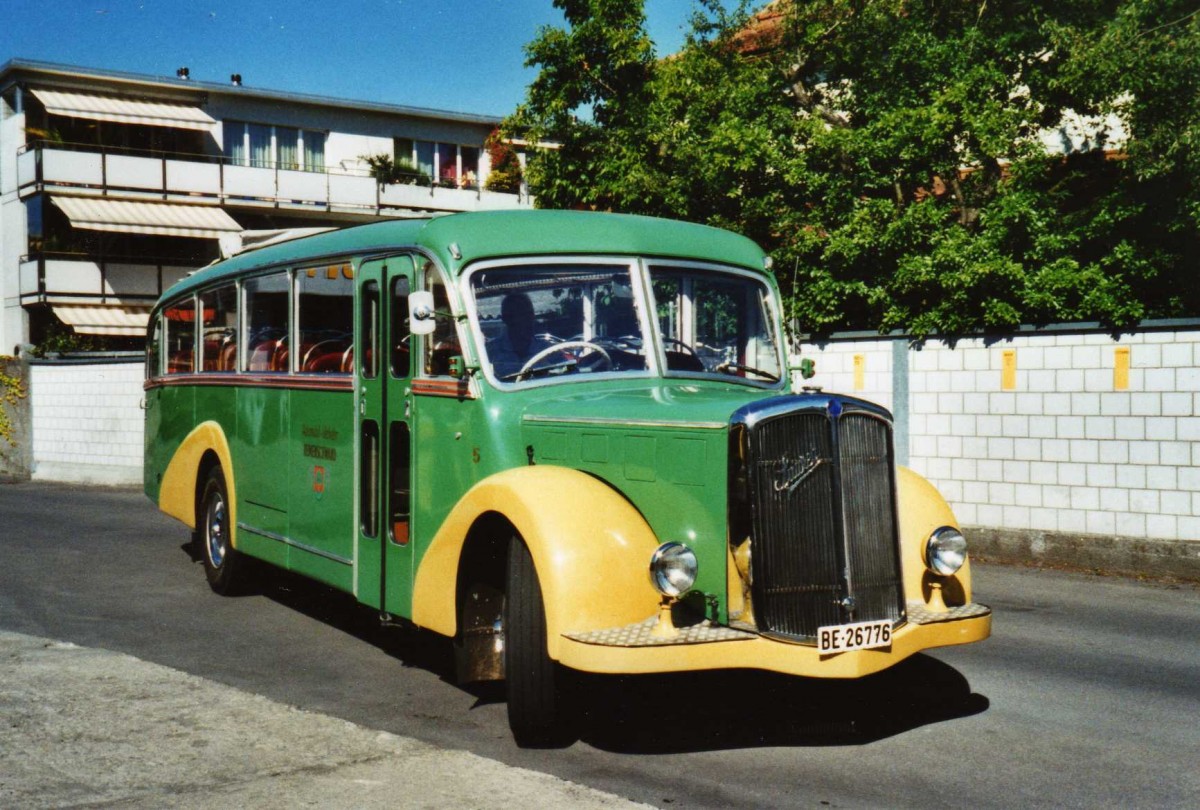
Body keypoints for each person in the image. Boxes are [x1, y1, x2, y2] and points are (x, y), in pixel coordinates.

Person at [487, 292, 550, 378]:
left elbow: (566, 372)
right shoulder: (490, 352)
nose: (526, 320)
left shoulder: (548, 350)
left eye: (528, 314)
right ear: (506, 319)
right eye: (519, 315)